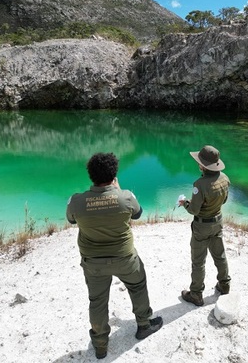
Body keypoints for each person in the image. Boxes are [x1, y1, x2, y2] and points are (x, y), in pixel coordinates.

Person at [66, 152, 163, 360]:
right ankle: (144, 325)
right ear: (114, 174)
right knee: (137, 287)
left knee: (97, 300)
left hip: (93, 263)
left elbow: (71, 220)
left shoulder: (77, 201)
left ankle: (100, 345)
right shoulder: (125, 197)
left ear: (91, 176)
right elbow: (138, 213)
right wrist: (117, 191)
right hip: (125, 259)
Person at [179, 145, 231, 306]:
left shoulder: (199, 184)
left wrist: (185, 203)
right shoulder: (225, 178)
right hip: (217, 222)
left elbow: (194, 210)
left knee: (198, 261)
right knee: (220, 255)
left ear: (203, 165)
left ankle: (196, 294)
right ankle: (224, 284)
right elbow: (224, 200)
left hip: (202, 227)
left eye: (199, 162)